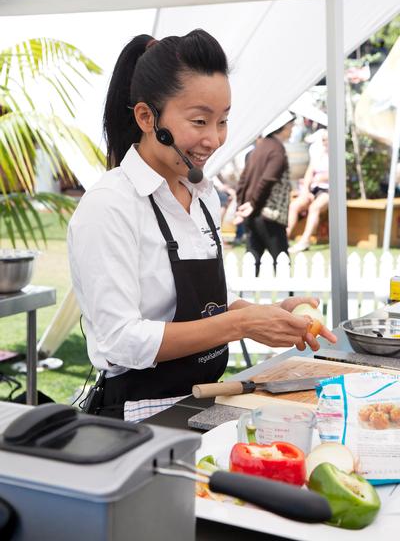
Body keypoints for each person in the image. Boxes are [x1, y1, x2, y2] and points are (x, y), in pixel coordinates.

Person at [68, 30, 336, 421]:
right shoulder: (110, 205)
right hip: (138, 418)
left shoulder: (205, 196)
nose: (214, 139)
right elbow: (119, 341)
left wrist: (266, 315)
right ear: (147, 117)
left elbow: (200, 309)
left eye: (223, 121)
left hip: (205, 402)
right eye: (199, 121)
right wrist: (239, 322)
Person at [234, 112, 295, 275]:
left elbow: (243, 180)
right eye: (291, 126)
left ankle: (245, 299)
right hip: (269, 215)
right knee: (282, 262)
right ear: (282, 128)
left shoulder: (258, 148)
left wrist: (242, 206)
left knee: (252, 263)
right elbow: (268, 179)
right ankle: (289, 300)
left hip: (253, 216)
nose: (292, 130)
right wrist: (253, 203)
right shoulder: (277, 150)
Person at [287, 129, 329, 253]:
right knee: (295, 206)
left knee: (314, 208)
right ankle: (285, 236)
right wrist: (306, 190)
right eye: (323, 139)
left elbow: (337, 175)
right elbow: (310, 172)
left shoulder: (337, 154)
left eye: (326, 139)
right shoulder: (318, 152)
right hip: (314, 188)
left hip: (329, 191)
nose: (324, 142)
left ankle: (305, 241)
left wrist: (322, 177)